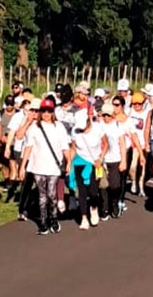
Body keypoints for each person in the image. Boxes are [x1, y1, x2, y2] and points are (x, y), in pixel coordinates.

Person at [20, 97, 71, 235]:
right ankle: (43, 221)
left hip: (53, 167)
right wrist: (22, 166)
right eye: (44, 111)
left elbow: (65, 146)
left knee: (51, 194)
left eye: (49, 111)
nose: (46, 114)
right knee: (42, 195)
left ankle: (53, 218)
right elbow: (28, 147)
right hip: (38, 166)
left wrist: (69, 162)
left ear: (53, 112)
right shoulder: (35, 128)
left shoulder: (58, 127)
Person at [68, 109, 107, 229]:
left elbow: (105, 144)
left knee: (93, 191)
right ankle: (84, 217)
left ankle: (94, 208)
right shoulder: (75, 132)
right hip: (80, 162)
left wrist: (100, 159)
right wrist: (69, 163)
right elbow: (73, 148)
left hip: (95, 163)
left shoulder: (97, 128)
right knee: (82, 191)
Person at [99, 99, 131, 218]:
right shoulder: (99, 125)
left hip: (115, 159)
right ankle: (105, 208)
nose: (106, 117)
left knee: (114, 185)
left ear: (113, 114)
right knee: (103, 186)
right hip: (102, 160)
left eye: (108, 114)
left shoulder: (118, 126)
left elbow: (122, 144)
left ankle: (114, 203)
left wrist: (123, 161)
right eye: (104, 114)